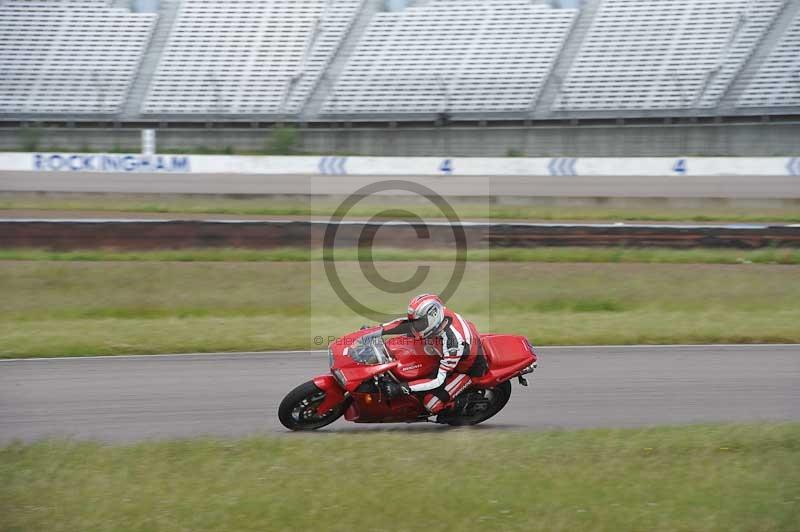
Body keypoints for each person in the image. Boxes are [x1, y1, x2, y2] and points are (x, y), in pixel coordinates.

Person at [380, 294, 486, 414]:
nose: (415, 326)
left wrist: (402, 388)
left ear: (432, 317)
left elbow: (438, 380)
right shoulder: (438, 315)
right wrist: (378, 330)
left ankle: (457, 408)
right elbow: (405, 324)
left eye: (419, 323)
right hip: (443, 349)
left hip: (466, 370)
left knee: (431, 404)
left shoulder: (453, 344)